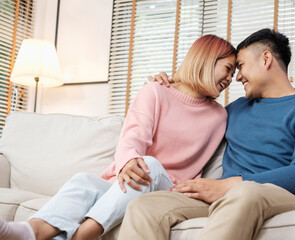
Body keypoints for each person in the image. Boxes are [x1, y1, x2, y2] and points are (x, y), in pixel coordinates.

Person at [0, 34, 236, 240]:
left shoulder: (219, 116)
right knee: (84, 181)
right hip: (133, 178)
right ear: (206, 59)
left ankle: (83, 235)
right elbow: (132, 137)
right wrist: (127, 162)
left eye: (235, 73)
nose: (230, 79)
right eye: (228, 69)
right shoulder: (156, 91)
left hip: (170, 190)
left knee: (150, 165)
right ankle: (31, 231)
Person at [117, 28, 295, 240]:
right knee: (144, 206)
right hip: (225, 197)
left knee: (246, 192)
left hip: (280, 196)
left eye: (240, 66)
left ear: (266, 59)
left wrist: (231, 184)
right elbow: (189, 114)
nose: (237, 77)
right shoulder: (234, 110)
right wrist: (172, 85)